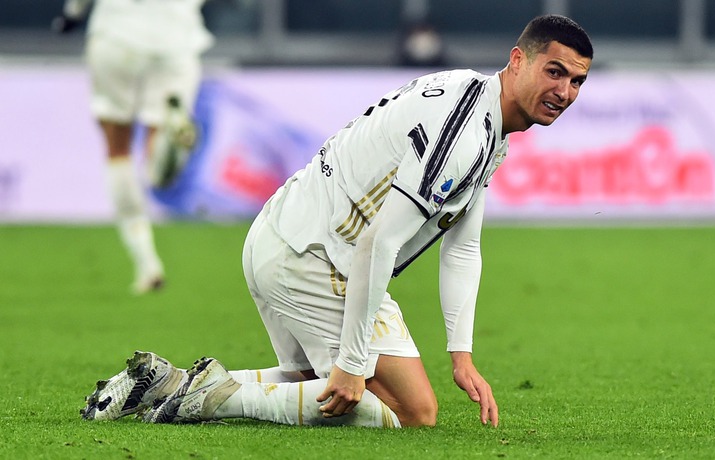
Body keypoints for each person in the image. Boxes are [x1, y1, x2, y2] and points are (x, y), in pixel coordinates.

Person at [80, 14, 593, 427]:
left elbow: (462, 247)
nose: (565, 92)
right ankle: (210, 398)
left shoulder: (481, 112)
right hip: (317, 256)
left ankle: (164, 384)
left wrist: (462, 356)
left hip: (285, 234)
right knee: (410, 412)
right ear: (518, 60)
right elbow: (378, 241)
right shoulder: (463, 132)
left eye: (577, 81)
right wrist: (351, 361)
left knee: (305, 382)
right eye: (555, 72)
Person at [53, 0, 213, 294]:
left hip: (117, 35)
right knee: (158, 159)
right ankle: (167, 145)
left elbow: (77, 5)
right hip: (177, 38)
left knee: (117, 149)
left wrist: (71, 15)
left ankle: (146, 262)